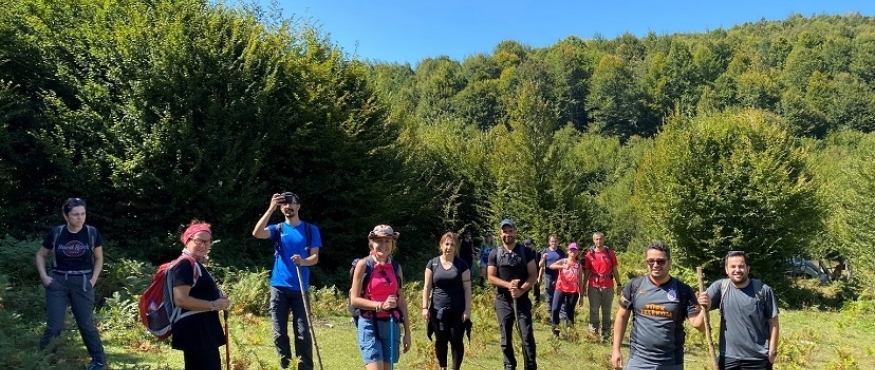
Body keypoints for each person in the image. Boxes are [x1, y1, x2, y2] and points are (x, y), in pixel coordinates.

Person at [252, 192, 323, 370]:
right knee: (279, 333)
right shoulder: (278, 229)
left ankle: (304, 368)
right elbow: (257, 233)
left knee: (303, 334)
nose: (288, 206)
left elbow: (314, 258)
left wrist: (303, 261)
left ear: (299, 206)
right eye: (283, 204)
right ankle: (286, 367)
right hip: (279, 288)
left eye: (291, 202)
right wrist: (270, 209)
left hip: (300, 288)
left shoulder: (310, 229)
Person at [35, 198, 107, 370]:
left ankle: (98, 361)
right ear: (65, 215)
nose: (80, 218)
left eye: (82, 214)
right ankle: (44, 360)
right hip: (58, 282)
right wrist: (44, 277)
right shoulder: (57, 233)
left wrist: (93, 279)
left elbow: (98, 258)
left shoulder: (91, 232)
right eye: (75, 214)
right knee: (54, 326)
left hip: (82, 282)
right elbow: (40, 255)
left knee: (86, 324)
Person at [611, 241, 707, 370]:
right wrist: (616, 349)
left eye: (660, 261)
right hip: (638, 361)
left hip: (671, 362)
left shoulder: (683, 290)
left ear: (670, 262)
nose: (655, 265)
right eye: (651, 261)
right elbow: (621, 317)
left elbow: (699, 326)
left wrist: (705, 308)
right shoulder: (635, 286)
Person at [699, 251, 780, 370]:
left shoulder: (763, 290)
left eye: (741, 266)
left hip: (757, 358)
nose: (737, 270)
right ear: (726, 270)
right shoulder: (720, 288)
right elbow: (700, 316)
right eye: (733, 266)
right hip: (728, 358)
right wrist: (704, 304)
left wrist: (772, 352)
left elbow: (773, 322)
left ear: (748, 269)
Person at [171, 220, 232, 370]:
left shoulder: (195, 264)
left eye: (207, 241)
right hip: (196, 333)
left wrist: (218, 299)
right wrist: (213, 305)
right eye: (198, 240)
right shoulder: (184, 264)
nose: (203, 245)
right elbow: (180, 299)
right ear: (187, 240)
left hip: (202, 331)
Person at [350, 224, 412, 370]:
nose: (383, 245)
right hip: (368, 323)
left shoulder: (396, 268)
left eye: (387, 241)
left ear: (392, 244)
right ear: (372, 243)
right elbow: (354, 299)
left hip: (390, 323)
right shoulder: (363, 264)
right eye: (379, 241)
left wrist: (407, 333)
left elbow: (401, 301)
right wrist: (380, 305)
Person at [487, 219, 538, 370]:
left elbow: (533, 275)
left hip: (522, 299)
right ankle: (509, 366)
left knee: (526, 336)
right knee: (505, 337)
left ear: (515, 232)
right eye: (505, 231)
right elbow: (491, 277)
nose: (508, 234)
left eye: (510, 231)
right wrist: (509, 285)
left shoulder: (526, 252)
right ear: (500, 233)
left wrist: (521, 290)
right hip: (503, 300)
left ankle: (530, 366)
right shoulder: (494, 253)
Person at [421, 232, 473, 370]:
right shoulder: (432, 264)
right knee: (441, 340)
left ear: (456, 248)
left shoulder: (462, 265)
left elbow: (467, 289)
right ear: (441, 245)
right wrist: (425, 307)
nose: (449, 247)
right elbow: (426, 287)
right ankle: (442, 367)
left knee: (457, 340)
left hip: (458, 309)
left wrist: (467, 309)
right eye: (447, 244)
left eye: (452, 245)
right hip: (438, 309)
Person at [583, 231, 621, 340]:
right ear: (593, 240)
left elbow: (614, 269)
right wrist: (583, 286)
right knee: (594, 310)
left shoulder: (610, 253)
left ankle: (606, 335)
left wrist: (619, 284)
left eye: (600, 239)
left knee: (606, 311)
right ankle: (593, 334)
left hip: (608, 286)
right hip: (593, 286)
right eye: (596, 239)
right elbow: (587, 272)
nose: (599, 241)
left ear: (603, 240)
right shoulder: (590, 254)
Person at [547, 242, 583, 337]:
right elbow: (551, 266)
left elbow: (580, 280)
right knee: (555, 309)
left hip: (573, 291)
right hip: (560, 288)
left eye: (575, 250)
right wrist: (563, 266)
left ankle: (571, 333)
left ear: (577, 252)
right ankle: (555, 332)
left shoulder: (578, 265)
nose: (573, 252)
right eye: (571, 250)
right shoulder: (563, 261)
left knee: (570, 312)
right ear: (568, 251)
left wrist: (581, 295)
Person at [538, 234, 566, 315]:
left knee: (559, 294)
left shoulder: (561, 252)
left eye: (555, 241)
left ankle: (561, 313)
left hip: (559, 276)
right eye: (552, 241)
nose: (554, 243)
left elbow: (564, 264)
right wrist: (543, 258)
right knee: (549, 295)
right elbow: (540, 265)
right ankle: (551, 313)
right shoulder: (545, 251)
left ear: (558, 242)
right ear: (549, 242)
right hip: (548, 276)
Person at [523, 238, 541, 304]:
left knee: (536, 289)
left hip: (535, 273)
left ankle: (537, 303)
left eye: (529, 244)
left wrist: (539, 276)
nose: (527, 246)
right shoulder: (522, 254)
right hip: (525, 275)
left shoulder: (537, 254)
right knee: (526, 289)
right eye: (526, 244)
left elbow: (540, 266)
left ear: (532, 245)